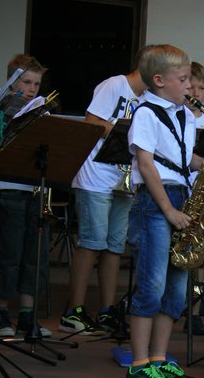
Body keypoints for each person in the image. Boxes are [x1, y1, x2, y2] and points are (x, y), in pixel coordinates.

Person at [126, 44, 204, 378]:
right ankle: (139, 363)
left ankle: (159, 358)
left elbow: (182, 159)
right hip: (155, 201)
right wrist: (168, 210)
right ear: (159, 81)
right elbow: (147, 165)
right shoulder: (146, 113)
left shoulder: (185, 114)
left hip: (183, 197)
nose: (190, 87)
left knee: (176, 288)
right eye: (184, 79)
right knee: (152, 284)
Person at [59, 47, 149, 336]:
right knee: (91, 242)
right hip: (96, 176)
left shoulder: (147, 98)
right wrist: (129, 133)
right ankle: (73, 311)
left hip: (123, 178)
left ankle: (107, 310)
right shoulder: (115, 85)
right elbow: (92, 121)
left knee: (114, 247)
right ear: (145, 65)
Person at [0, 54, 52, 337]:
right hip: (9, 189)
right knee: (10, 253)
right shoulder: (3, 110)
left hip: (36, 190)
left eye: (36, 84)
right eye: (26, 82)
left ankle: (27, 316)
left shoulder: (42, 111)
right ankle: (1, 315)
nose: (32, 89)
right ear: (12, 82)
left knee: (35, 256)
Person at [182, 61, 204, 336]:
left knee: (197, 256)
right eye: (192, 87)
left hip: (201, 195)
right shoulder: (178, 115)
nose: (196, 93)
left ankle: (195, 310)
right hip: (181, 192)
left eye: (202, 88)